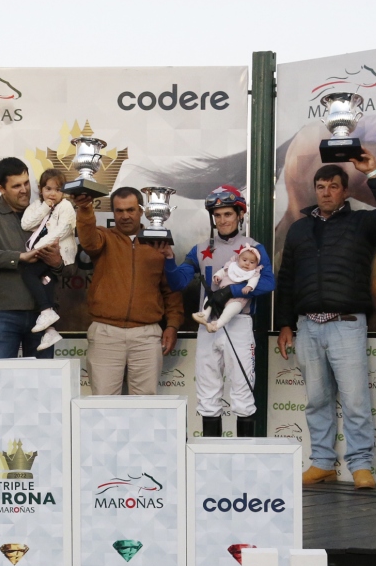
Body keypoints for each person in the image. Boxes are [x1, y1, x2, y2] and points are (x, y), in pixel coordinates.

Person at [275, 152, 376, 488]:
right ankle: (322, 463)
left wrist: (373, 173)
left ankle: (361, 466)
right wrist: (285, 323)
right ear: (315, 190)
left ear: (345, 191)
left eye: (334, 186)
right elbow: (286, 278)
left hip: (346, 324)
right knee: (317, 400)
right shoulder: (299, 229)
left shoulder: (361, 224)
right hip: (307, 327)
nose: (326, 192)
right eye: (321, 186)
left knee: (355, 400)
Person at [166, 186, 274, 437]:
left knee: (242, 390)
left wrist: (230, 291)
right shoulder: (200, 249)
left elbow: (269, 283)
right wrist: (169, 259)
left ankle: (244, 454)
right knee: (207, 390)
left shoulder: (253, 248)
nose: (222, 220)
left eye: (228, 214)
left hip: (239, 323)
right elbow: (178, 282)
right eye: (217, 215)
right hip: (208, 324)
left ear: (240, 215)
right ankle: (209, 454)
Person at [73, 186, 181, 394]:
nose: (124, 216)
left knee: (145, 405)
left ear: (141, 210)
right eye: (119, 211)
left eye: (130, 210)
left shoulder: (159, 243)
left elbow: (171, 290)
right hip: (106, 333)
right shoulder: (103, 238)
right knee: (102, 404)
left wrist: (172, 325)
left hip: (146, 335)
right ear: (113, 212)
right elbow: (87, 239)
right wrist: (85, 208)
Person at [0, 157, 66, 359]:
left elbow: (68, 265)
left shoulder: (47, 212)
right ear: (1, 188)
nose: (24, 190)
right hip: (3, 314)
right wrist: (18, 257)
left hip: (43, 315)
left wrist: (57, 263)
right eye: (16, 186)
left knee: (43, 378)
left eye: (26, 183)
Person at [20, 169, 77, 350]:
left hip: (58, 253)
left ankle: (46, 313)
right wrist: (45, 207)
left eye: (58, 189)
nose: (53, 193)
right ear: (41, 189)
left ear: (64, 191)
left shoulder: (66, 206)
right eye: (48, 189)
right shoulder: (38, 205)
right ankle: (50, 330)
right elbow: (26, 224)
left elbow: (63, 230)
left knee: (27, 271)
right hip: (42, 252)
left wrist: (37, 249)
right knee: (45, 284)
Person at [195, 244, 261, 333]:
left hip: (237, 299)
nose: (247, 263)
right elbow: (223, 271)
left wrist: (249, 286)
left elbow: (254, 280)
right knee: (209, 298)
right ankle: (204, 315)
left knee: (231, 309)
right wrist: (217, 276)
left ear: (256, 264)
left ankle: (217, 324)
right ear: (238, 259)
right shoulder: (232, 266)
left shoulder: (253, 273)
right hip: (221, 293)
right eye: (244, 260)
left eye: (252, 262)